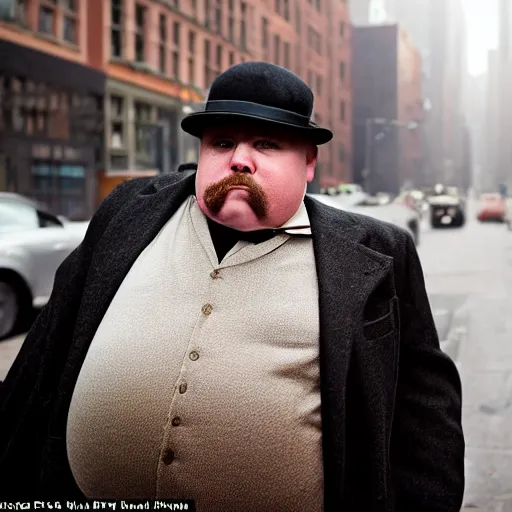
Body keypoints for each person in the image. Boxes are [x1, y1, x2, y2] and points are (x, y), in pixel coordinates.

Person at [0, 62, 464, 511]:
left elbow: (426, 415)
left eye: (266, 143)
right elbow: (42, 354)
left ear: (308, 162)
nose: (239, 160)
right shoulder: (127, 213)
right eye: (222, 142)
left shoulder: (378, 253)